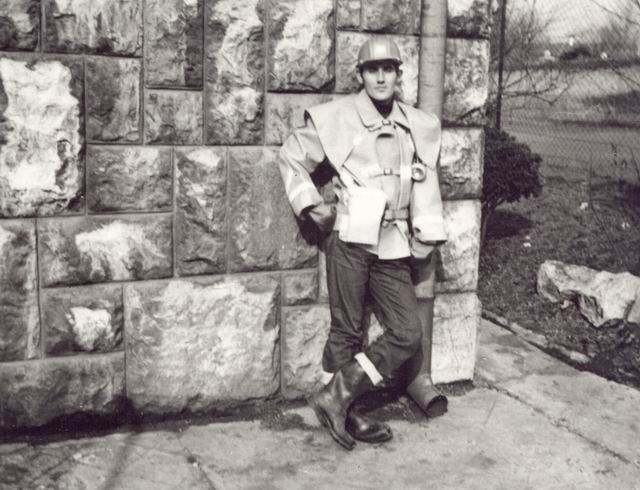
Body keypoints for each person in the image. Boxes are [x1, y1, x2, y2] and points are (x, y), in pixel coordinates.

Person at [278, 37, 448, 450]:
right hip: (350, 238)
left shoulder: (415, 124)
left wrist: (426, 234)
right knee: (347, 330)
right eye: (373, 70)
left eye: (388, 69)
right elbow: (291, 156)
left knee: (407, 332)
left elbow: (425, 181)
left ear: (398, 74)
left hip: (394, 243)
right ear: (361, 75)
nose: (381, 77)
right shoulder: (337, 117)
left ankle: (335, 397)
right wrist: (310, 204)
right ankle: (347, 413)